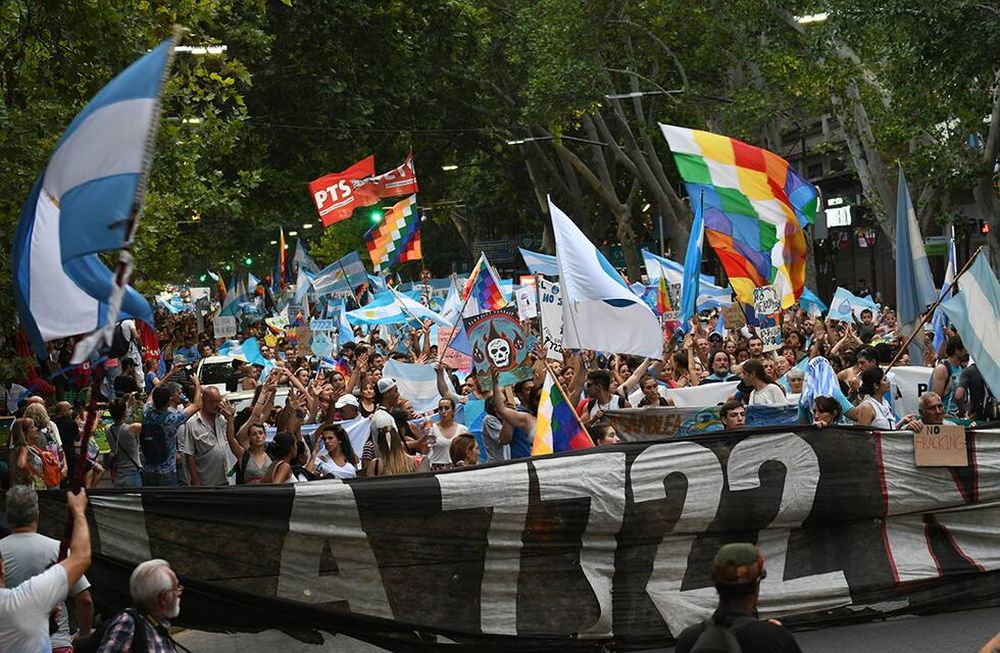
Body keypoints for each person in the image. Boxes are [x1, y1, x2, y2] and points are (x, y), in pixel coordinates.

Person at [1, 486, 93, 652]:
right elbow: (84, 599)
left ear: (7, 517)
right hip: (57, 644)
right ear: (37, 514)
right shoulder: (57, 550)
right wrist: (84, 636)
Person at [673, 542, 802, 653]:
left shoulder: (688, 638)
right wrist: (775, 632)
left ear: (716, 583)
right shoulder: (774, 638)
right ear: (757, 582)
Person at [95, 559, 182, 652]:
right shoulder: (127, 624)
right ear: (163, 598)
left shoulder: (157, 624)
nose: (179, 593)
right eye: (176, 588)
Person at [142, 379, 200, 487]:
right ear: (169, 401)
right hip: (166, 470)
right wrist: (197, 384)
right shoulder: (171, 418)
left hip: (148, 469)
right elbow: (197, 405)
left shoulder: (146, 412)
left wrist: (170, 375)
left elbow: (152, 392)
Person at [178, 388, 231, 487]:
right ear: (205, 400)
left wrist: (230, 418)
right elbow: (190, 455)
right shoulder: (193, 423)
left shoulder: (222, 419)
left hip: (228, 478)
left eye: (219, 400)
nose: (218, 404)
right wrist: (195, 480)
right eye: (214, 401)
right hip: (207, 481)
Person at [425, 398, 471, 470]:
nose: (443, 411)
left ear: (453, 411)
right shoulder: (432, 429)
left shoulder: (463, 430)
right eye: (440, 409)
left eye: (446, 408)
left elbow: (468, 451)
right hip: (436, 468)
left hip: (457, 468)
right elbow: (426, 450)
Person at [107, 398, 143, 488]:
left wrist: (126, 405)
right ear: (125, 412)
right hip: (132, 473)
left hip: (118, 474)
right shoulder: (132, 428)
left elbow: (117, 414)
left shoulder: (108, 429)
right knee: (135, 501)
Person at [930, 336, 968, 415]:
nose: (967, 352)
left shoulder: (960, 368)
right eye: (965, 349)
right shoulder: (942, 369)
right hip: (945, 417)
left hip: (957, 416)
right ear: (957, 350)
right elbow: (935, 399)